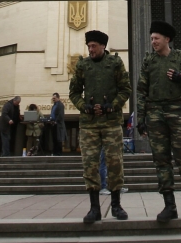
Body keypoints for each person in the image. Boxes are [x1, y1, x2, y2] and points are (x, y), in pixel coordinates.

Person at [136, 20, 181, 222]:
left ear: (167, 39)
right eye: (151, 39)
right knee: (161, 160)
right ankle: (170, 206)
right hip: (155, 114)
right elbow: (141, 91)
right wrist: (141, 118)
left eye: (156, 38)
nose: (153, 42)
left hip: (177, 112)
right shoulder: (148, 62)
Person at [69, 29, 131, 223]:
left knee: (115, 163)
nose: (91, 49)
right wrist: (83, 106)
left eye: (94, 46)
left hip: (111, 122)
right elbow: (74, 92)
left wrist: (110, 106)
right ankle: (94, 208)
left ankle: (116, 205)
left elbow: (125, 89)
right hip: (89, 124)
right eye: (88, 46)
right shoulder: (82, 65)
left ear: (103, 46)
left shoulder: (115, 63)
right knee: (90, 164)